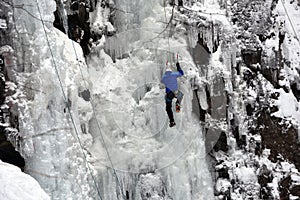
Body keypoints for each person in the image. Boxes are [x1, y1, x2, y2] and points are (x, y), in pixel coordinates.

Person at [161, 62, 184, 127]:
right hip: (175, 92)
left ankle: (172, 121)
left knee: (168, 107)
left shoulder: (164, 77)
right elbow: (181, 73)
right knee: (181, 95)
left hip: (169, 94)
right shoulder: (174, 74)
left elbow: (162, 82)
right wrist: (178, 66)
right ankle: (177, 105)